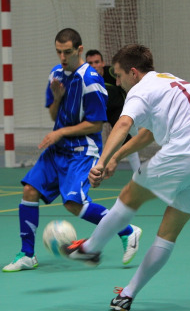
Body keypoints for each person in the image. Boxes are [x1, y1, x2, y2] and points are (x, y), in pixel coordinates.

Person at [61, 44, 190, 311]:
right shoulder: (171, 82)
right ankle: (127, 294)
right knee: (167, 235)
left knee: (129, 197)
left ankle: (91, 248)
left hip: (183, 153)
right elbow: (146, 135)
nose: (117, 81)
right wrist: (116, 158)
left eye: (118, 75)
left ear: (134, 72)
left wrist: (101, 162)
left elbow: (124, 124)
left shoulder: (140, 89)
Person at [2, 30, 142, 273]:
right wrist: (57, 99)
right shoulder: (56, 75)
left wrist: (59, 133)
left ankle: (127, 230)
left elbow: (96, 124)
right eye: (58, 51)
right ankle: (27, 254)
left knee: (73, 203)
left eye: (67, 51)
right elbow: (54, 116)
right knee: (29, 190)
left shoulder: (91, 81)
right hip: (57, 151)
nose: (62, 57)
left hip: (82, 150)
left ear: (79, 50)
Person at [85, 49, 141, 172]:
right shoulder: (83, 79)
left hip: (117, 109)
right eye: (90, 63)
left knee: (129, 139)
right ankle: (89, 170)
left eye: (97, 62)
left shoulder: (112, 72)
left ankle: (139, 172)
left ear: (103, 63)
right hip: (97, 112)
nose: (94, 65)